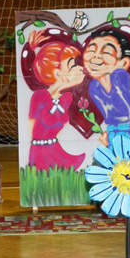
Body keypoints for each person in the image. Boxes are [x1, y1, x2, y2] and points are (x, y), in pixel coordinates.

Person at [26, 35, 86, 171]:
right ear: (58, 73)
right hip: (40, 153)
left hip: (56, 150)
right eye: (72, 66)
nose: (79, 68)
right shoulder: (39, 97)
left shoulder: (66, 98)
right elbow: (31, 129)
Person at [82, 27, 130, 145]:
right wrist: (108, 135)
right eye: (91, 50)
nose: (96, 56)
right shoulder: (94, 87)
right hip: (111, 132)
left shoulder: (120, 76)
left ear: (124, 63)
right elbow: (109, 118)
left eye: (106, 52)